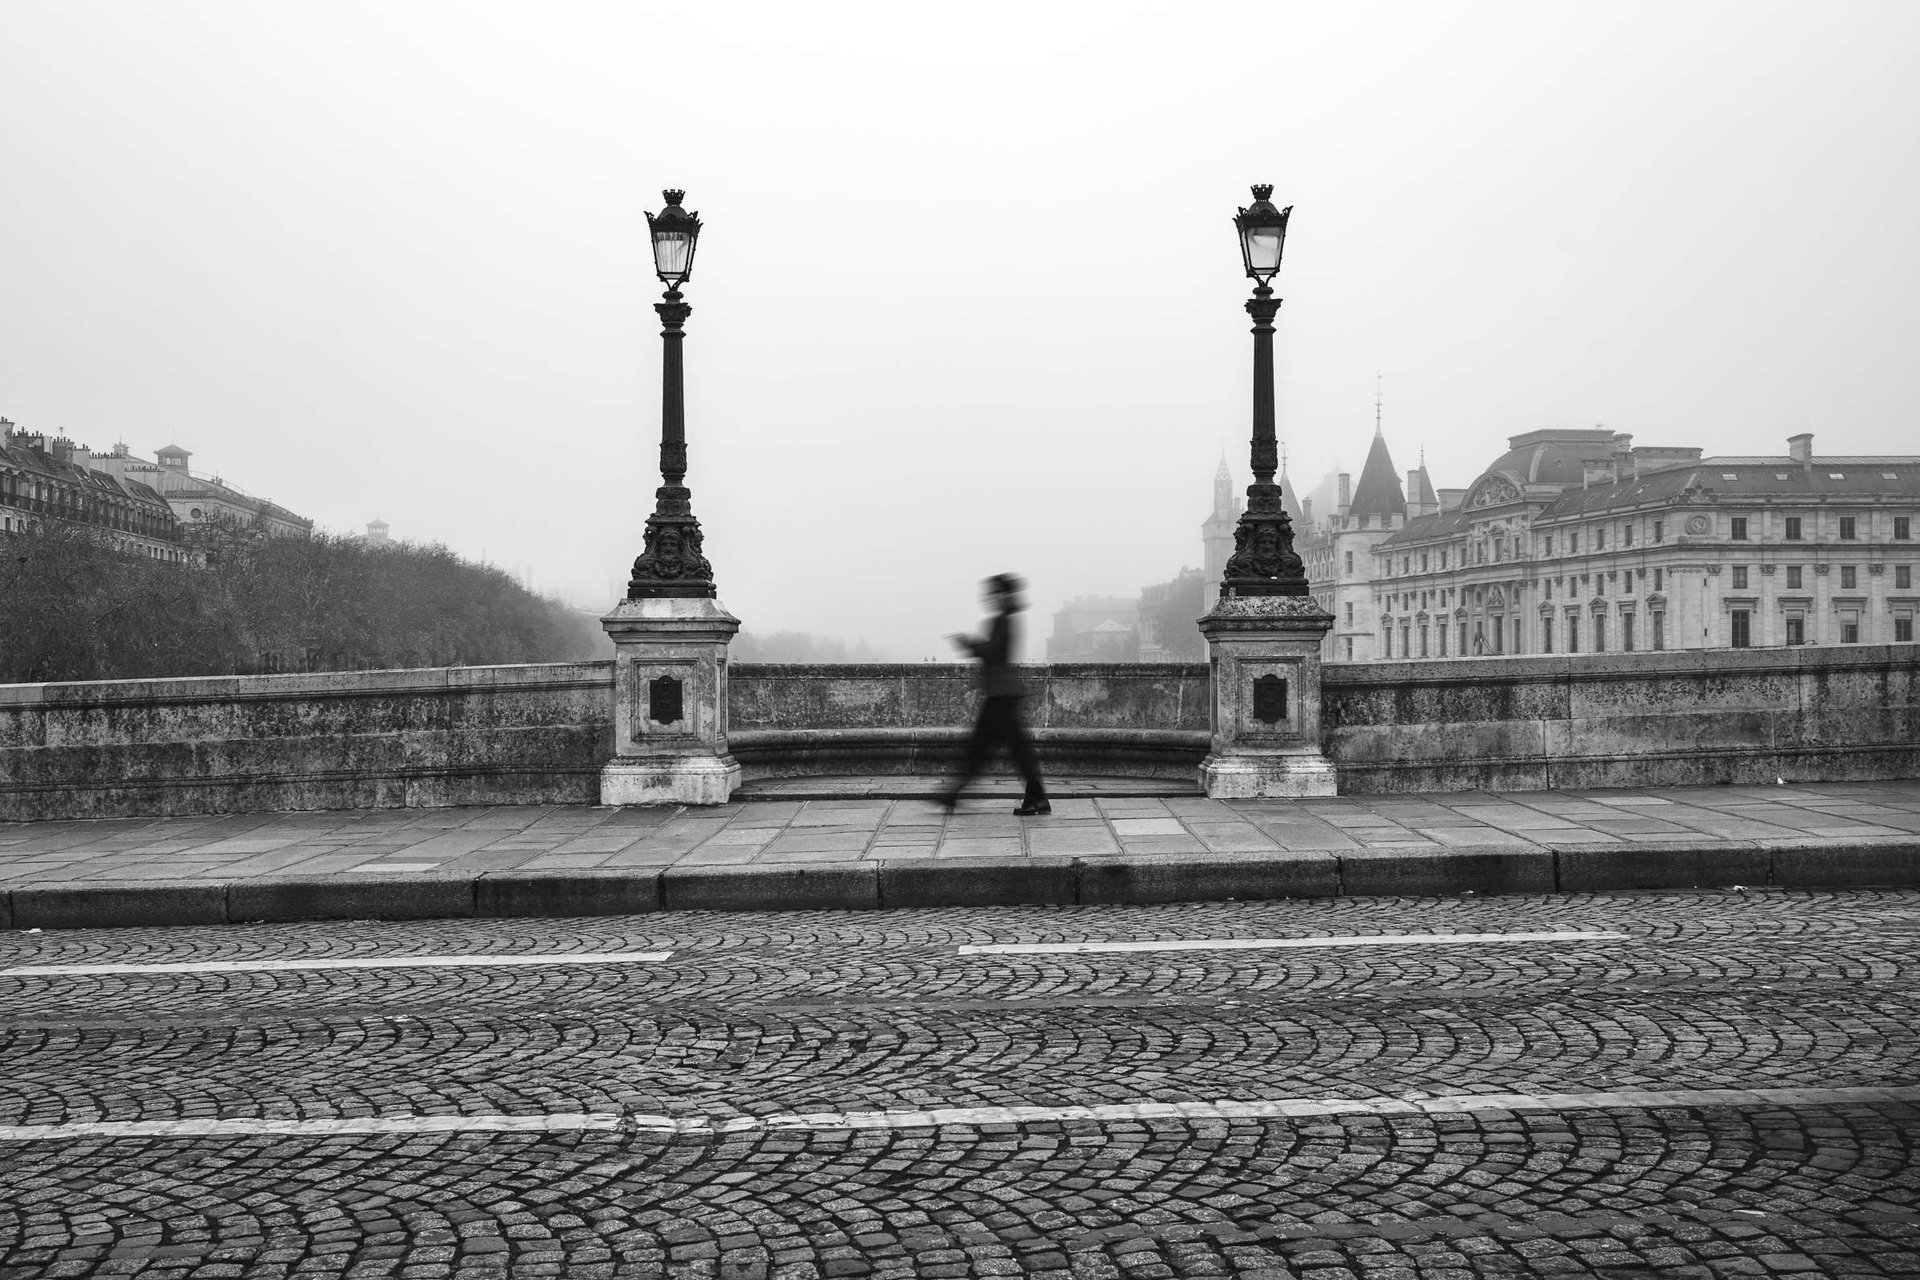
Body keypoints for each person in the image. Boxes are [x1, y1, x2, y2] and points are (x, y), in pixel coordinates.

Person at [940, 573, 1050, 815]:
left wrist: (970, 643)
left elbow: (992, 653)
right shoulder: (1007, 619)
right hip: (1003, 694)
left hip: (1001, 695)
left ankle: (952, 794)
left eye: (995, 593)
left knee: (983, 748)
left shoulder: (1003, 620)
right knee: (1010, 750)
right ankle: (1037, 798)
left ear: (1003, 595)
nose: (991, 598)